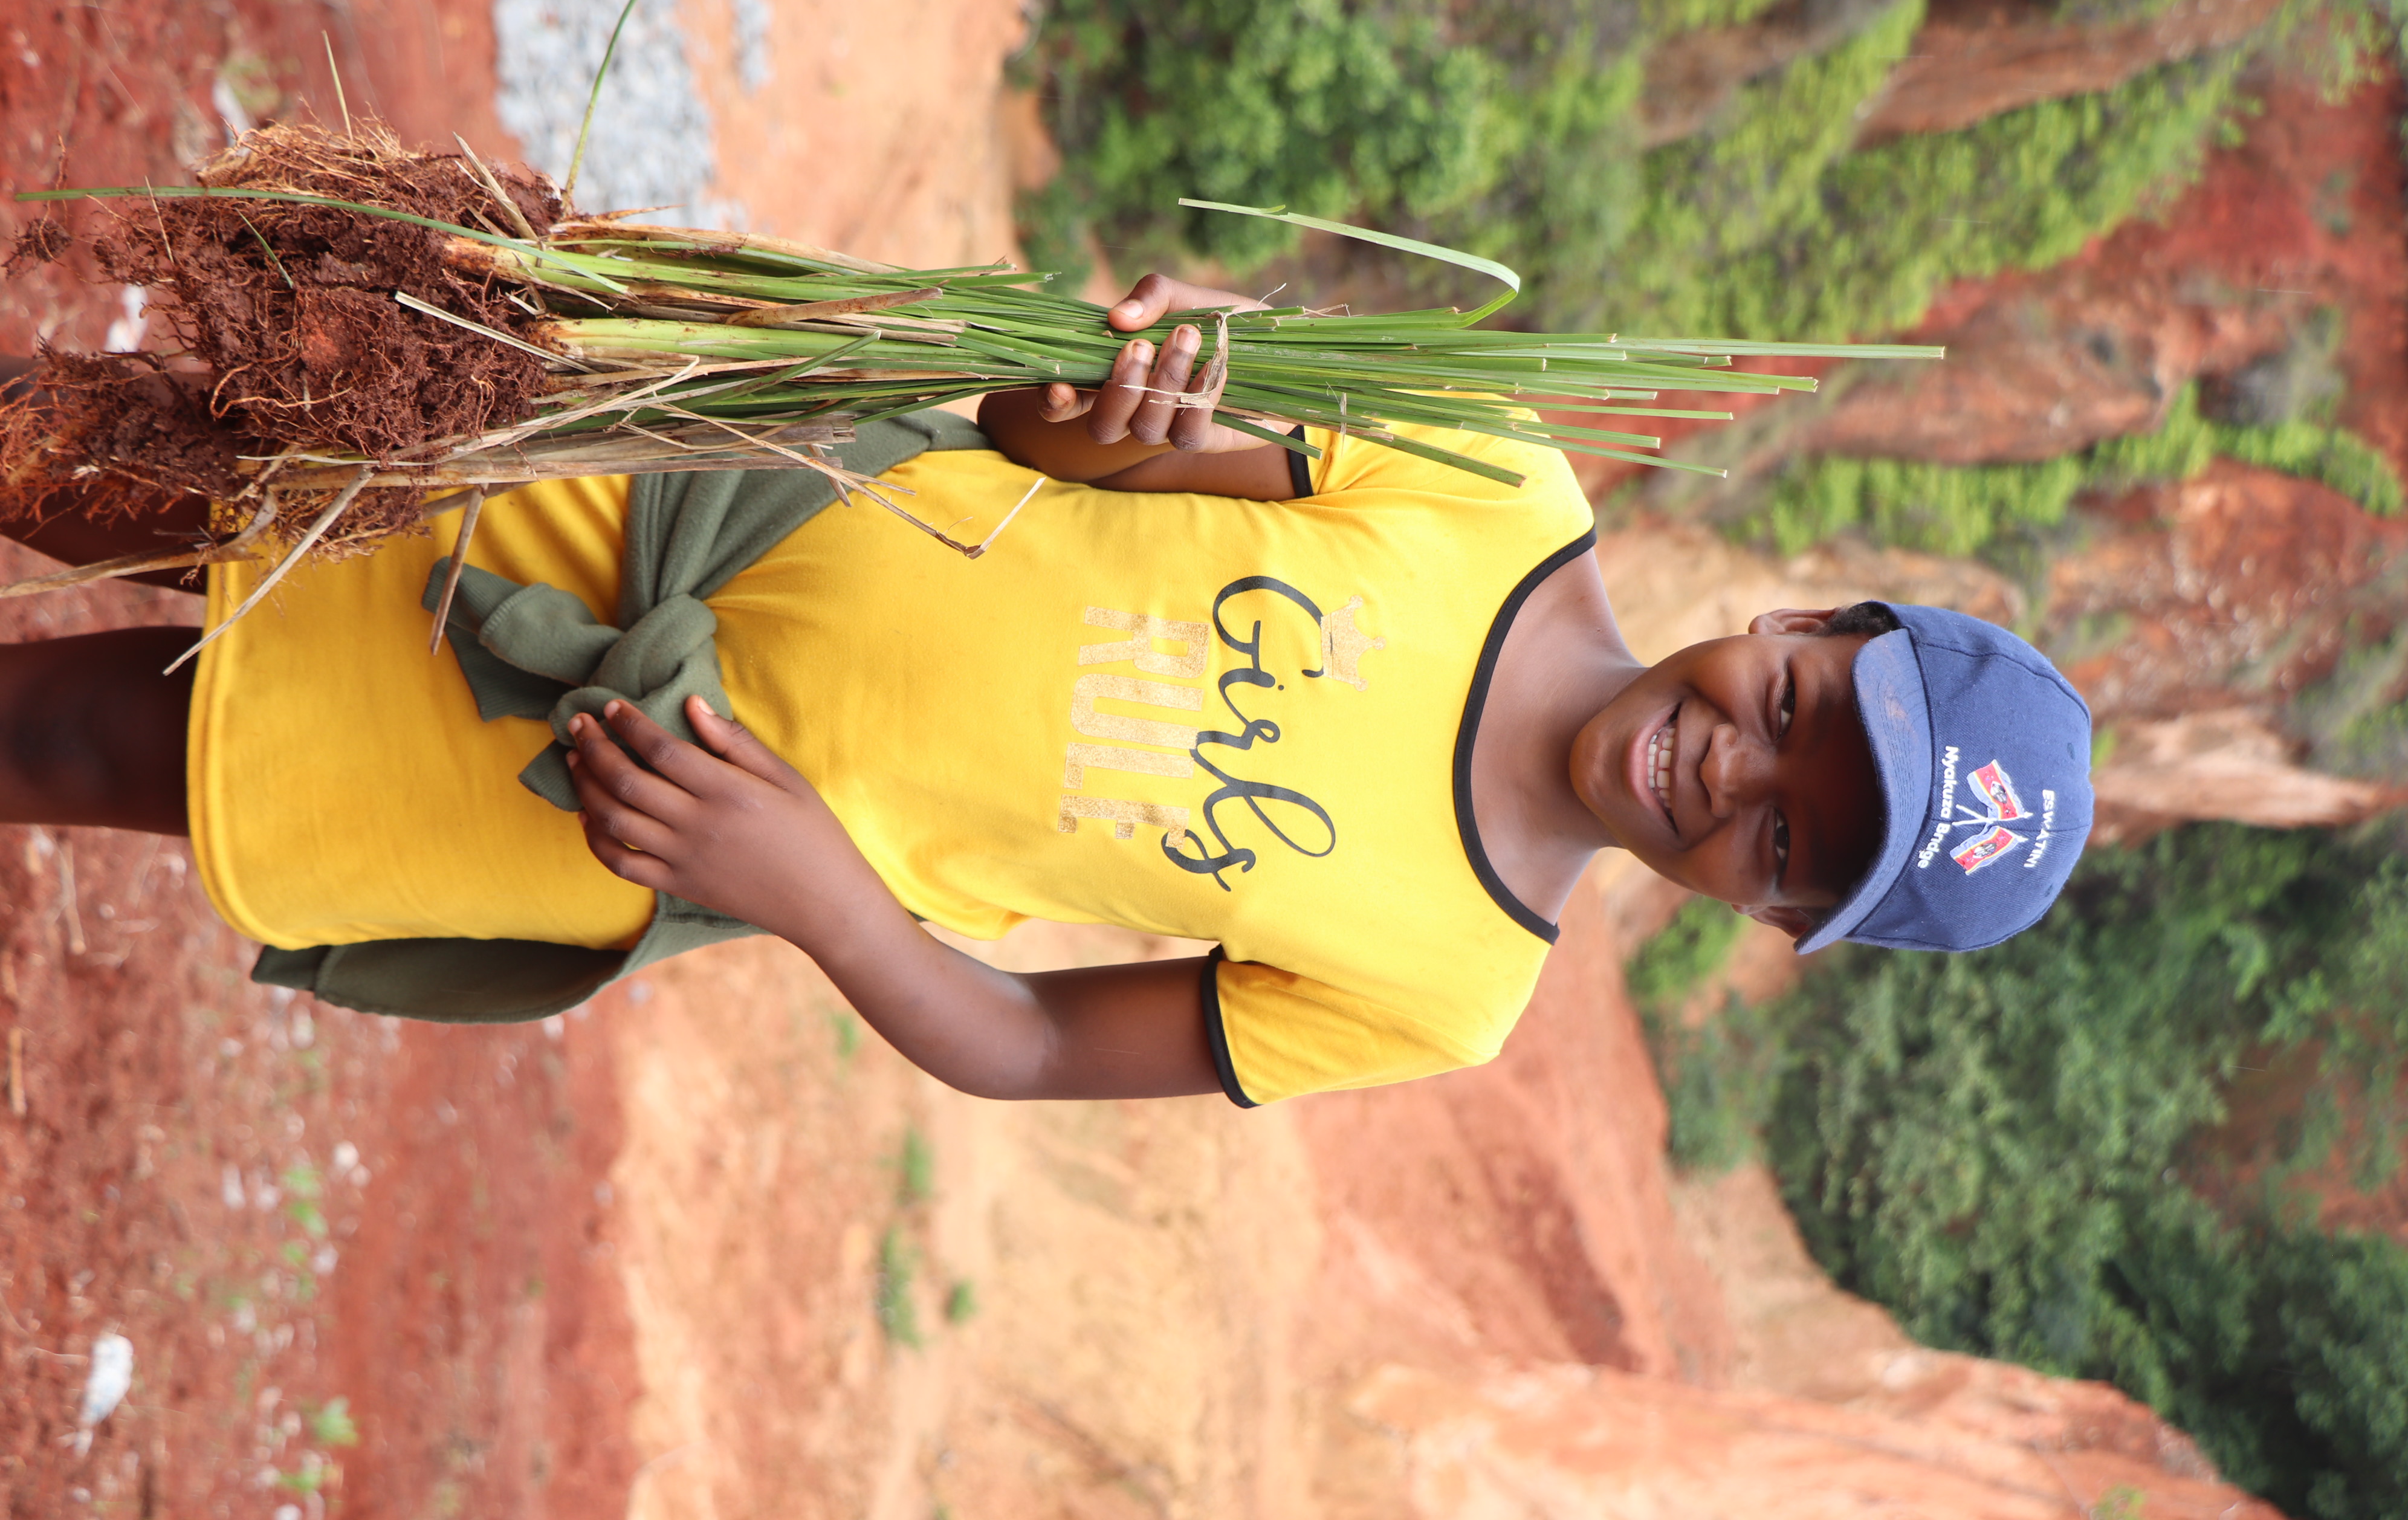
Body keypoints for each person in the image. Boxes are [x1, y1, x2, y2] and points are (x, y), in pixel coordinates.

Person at [0, 276, 2096, 1106]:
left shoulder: (1451, 989)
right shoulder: (1489, 479)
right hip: (667, 503)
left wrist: (808, 886)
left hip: (641, 779)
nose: (1737, 767)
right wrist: (1091, 402)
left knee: (103, 740)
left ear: (1774, 921)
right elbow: (1048, 438)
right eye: (1801, 707)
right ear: (1811, 619)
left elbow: (1014, 1043)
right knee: (140, 469)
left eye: (1790, 839)